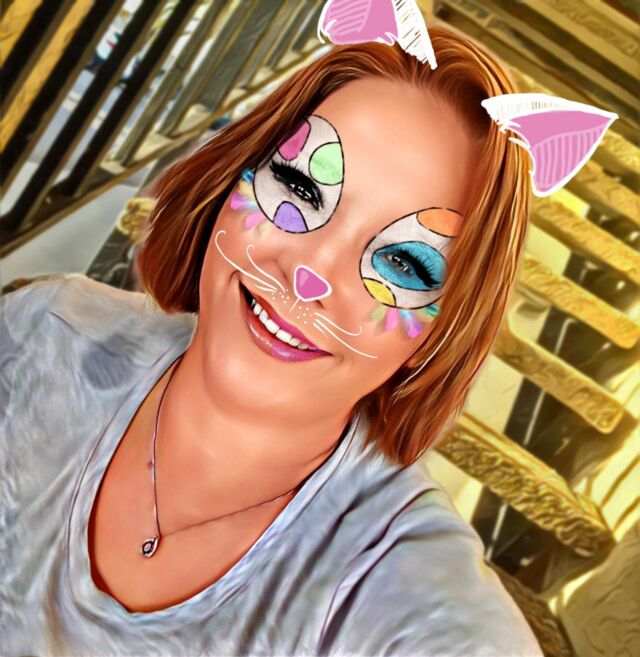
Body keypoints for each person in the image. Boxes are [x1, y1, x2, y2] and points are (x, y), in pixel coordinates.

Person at [0, 26, 544, 657]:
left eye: (403, 263)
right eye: (303, 189)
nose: (310, 275)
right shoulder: (40, 332)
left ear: (449, 327)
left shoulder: (408, 595)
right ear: (233, 178)